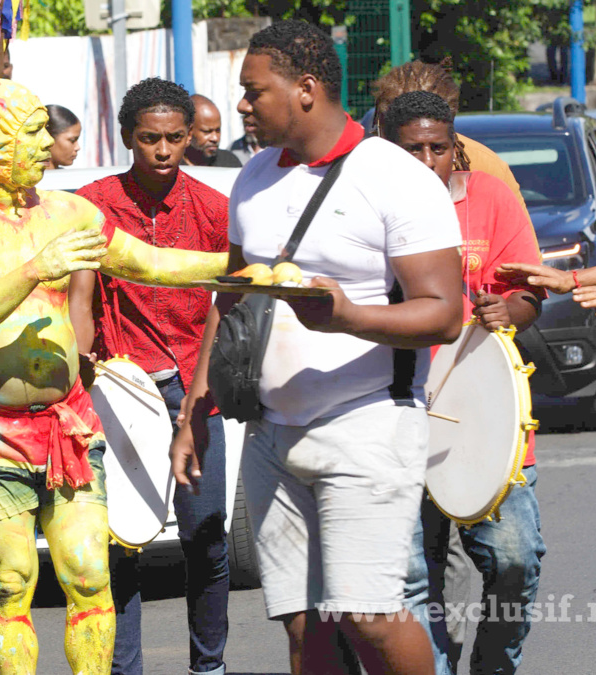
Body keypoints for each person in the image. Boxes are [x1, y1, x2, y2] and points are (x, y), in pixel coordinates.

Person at [170, 21, 464, 675]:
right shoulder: (252, 177)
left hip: (366, 423)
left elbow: (446, 312)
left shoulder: (394, 177)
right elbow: (234, 298)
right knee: (305, 628)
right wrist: (196, 405)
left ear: (305, 89)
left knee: (372, 617)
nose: (242, 105)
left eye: (253, 91)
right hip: (272, 433)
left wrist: (349, 315)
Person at [0, 77, 228, 675]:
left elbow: (155, 264)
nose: (47, 145)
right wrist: (37, 267)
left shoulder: (69, 211)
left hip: (69, 426)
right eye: (32, 132)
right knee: (10, 580)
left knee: (89, 573)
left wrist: (244, 267)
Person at [380, 90, 547, 675]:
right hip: (392, 412)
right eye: (411, 150)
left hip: (488, 416)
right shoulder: (364, 207)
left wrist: (512, 310)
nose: (426, 161)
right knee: (412, 575)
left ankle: (495, 664)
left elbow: (528, 291)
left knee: (515, 559)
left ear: (456, 149)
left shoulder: (491, 199)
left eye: (438, 148)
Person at [69, 77, 231, 675]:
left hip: (196, 389)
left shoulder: (215, 210)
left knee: (207, 539)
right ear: (126, 137)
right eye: (148, 140)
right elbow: (77, 298)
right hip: (118, 390)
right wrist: (80, 369)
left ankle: (208, 667)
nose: (162, 152)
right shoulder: (91, 204)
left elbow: (225, 306)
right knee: (120, 545)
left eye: (173, 139)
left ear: (190, 137)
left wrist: (198, 394)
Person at [372, 60, 527, 214]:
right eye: (413, 147)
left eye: (437, 147)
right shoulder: (363, 168)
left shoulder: (488, 168)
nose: (427, 161)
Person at [184, 94, 241, 168]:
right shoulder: (172, 165)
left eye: (218, 130)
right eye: (207, 132)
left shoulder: (230, 162)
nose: (215, 138)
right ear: (188, 131)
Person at [45, 104, 81, 169]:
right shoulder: (28, 178)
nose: (77, 147)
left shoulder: (67, 177)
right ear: (48, 139)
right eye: (72, 140)